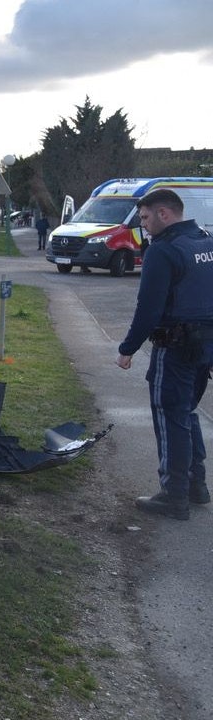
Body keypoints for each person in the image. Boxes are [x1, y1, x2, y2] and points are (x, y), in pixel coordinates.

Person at [116, 188, 213, 520]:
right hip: (203, 348)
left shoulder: (163, 251)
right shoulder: (205, 242)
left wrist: (127, 349)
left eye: (144, 217)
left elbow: (149, 309)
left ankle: (174, 495)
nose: (143, 225)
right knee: (186, 413)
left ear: (164, 214)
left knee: (171, 417)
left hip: (173, 348)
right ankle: (196, 486)